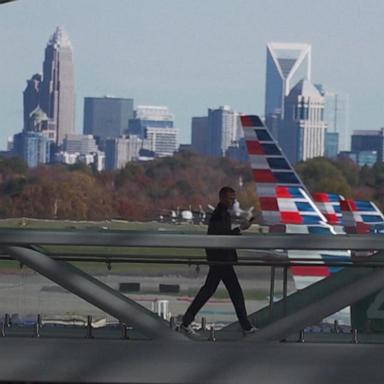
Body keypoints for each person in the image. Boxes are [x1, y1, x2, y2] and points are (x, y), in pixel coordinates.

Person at [180, 186, 256, 335]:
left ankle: (186, 321)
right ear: (222, 198)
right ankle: (246, 326)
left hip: (220, 259)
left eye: (234, 198)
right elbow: (223, 237)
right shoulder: (220, 215)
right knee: (230, 292)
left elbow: (221, 236)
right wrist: (240, 229)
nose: (233, 201)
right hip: (222, 260)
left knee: (214, 290)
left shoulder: (221, 213)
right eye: (230, 198)